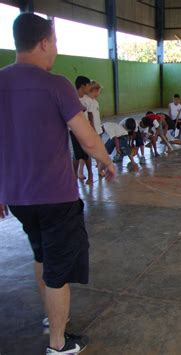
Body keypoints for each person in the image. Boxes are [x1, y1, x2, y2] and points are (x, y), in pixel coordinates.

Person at [0, 13, 115, 354]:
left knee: (41, 254)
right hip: (56, 197)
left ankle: (52, 318)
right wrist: (107, 162)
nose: (56, 50)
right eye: (55, 42)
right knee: (58, 270)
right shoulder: (56, 84)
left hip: (19, 198)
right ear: (44, 43)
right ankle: (58, 344)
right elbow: (88, 139)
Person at [78, 80, 103, 177]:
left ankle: (100, 170)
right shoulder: (85, 100)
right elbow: (88, 117)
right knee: (85, 152)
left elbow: (96, 117)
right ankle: (80, 171)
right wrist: (92, 130)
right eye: (99, 91)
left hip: (97, 130)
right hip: (90, 130)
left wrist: (99, 128)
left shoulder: (95, 102)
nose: (99, 93)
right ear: (95, 90)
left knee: (97, 150)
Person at [72, 75, 94, 185]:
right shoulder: (71, 98)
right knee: (76, 154)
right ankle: (74, 176)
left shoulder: (87, 100)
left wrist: (92, 128)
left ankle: (90, 174)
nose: (90, 87)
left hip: (84, 130)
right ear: (82, 86)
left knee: (86, 153)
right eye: (89, 85)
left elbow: (90, 115)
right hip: (73, 130)